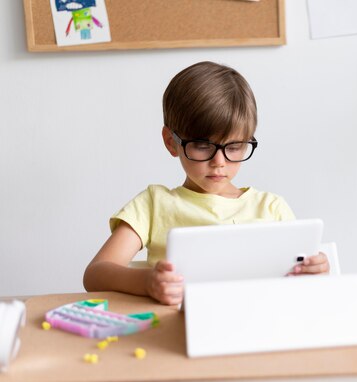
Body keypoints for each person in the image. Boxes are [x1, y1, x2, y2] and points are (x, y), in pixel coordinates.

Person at [83, 61, 329, 305]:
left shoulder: (271, 208)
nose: (219, 162)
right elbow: (95, 274)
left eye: (234, 147)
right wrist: (147, 283)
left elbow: (302, 287)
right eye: (202, 146)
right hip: (175, 334)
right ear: (171, 142)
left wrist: (316, 271)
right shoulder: (153, 205)